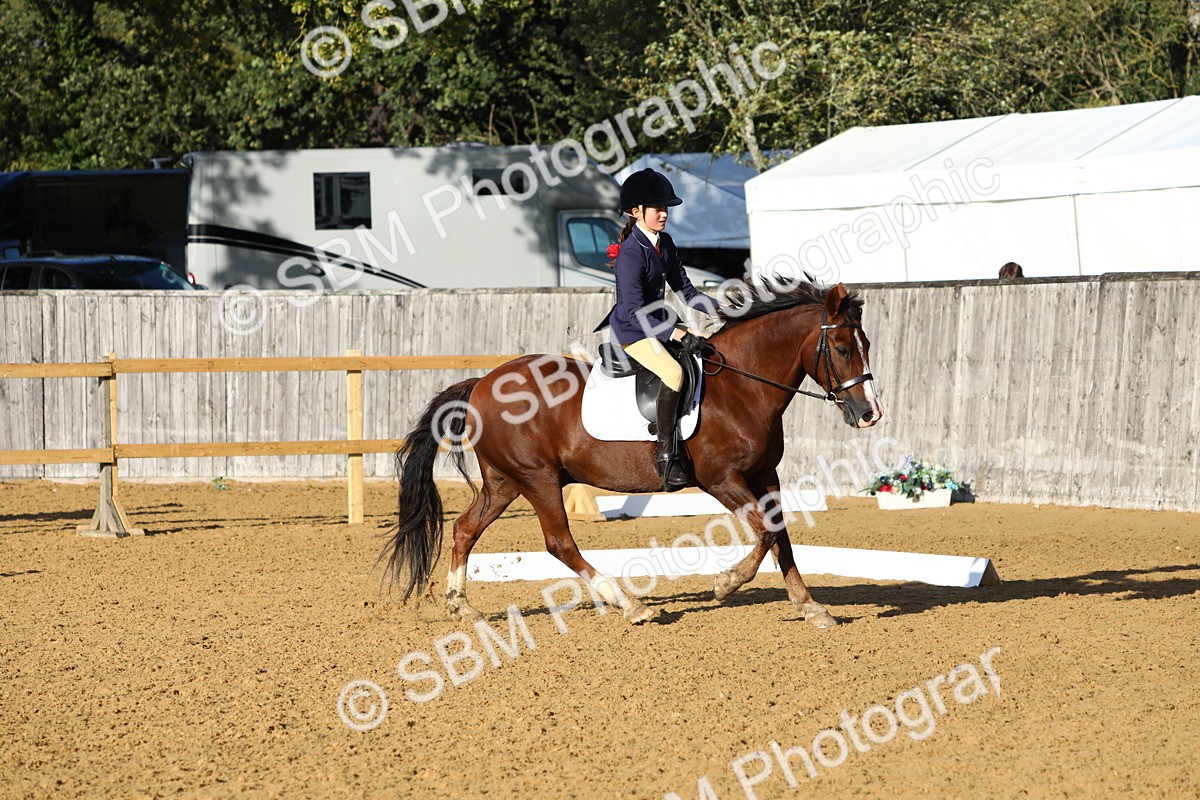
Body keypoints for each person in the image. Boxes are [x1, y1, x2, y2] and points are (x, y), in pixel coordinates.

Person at [594, 167, 720, 489]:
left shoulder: (664, 242)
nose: (664, 214)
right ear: (637, 212)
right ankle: (666, 455)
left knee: (709, 350)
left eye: (666, 208)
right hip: (633, 332)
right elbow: (634, 312)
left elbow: (687, 292)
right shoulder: (631, 255)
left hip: (659, 322)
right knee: (674, 374)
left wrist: (721, 311)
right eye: (658, 208)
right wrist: (676, 333)